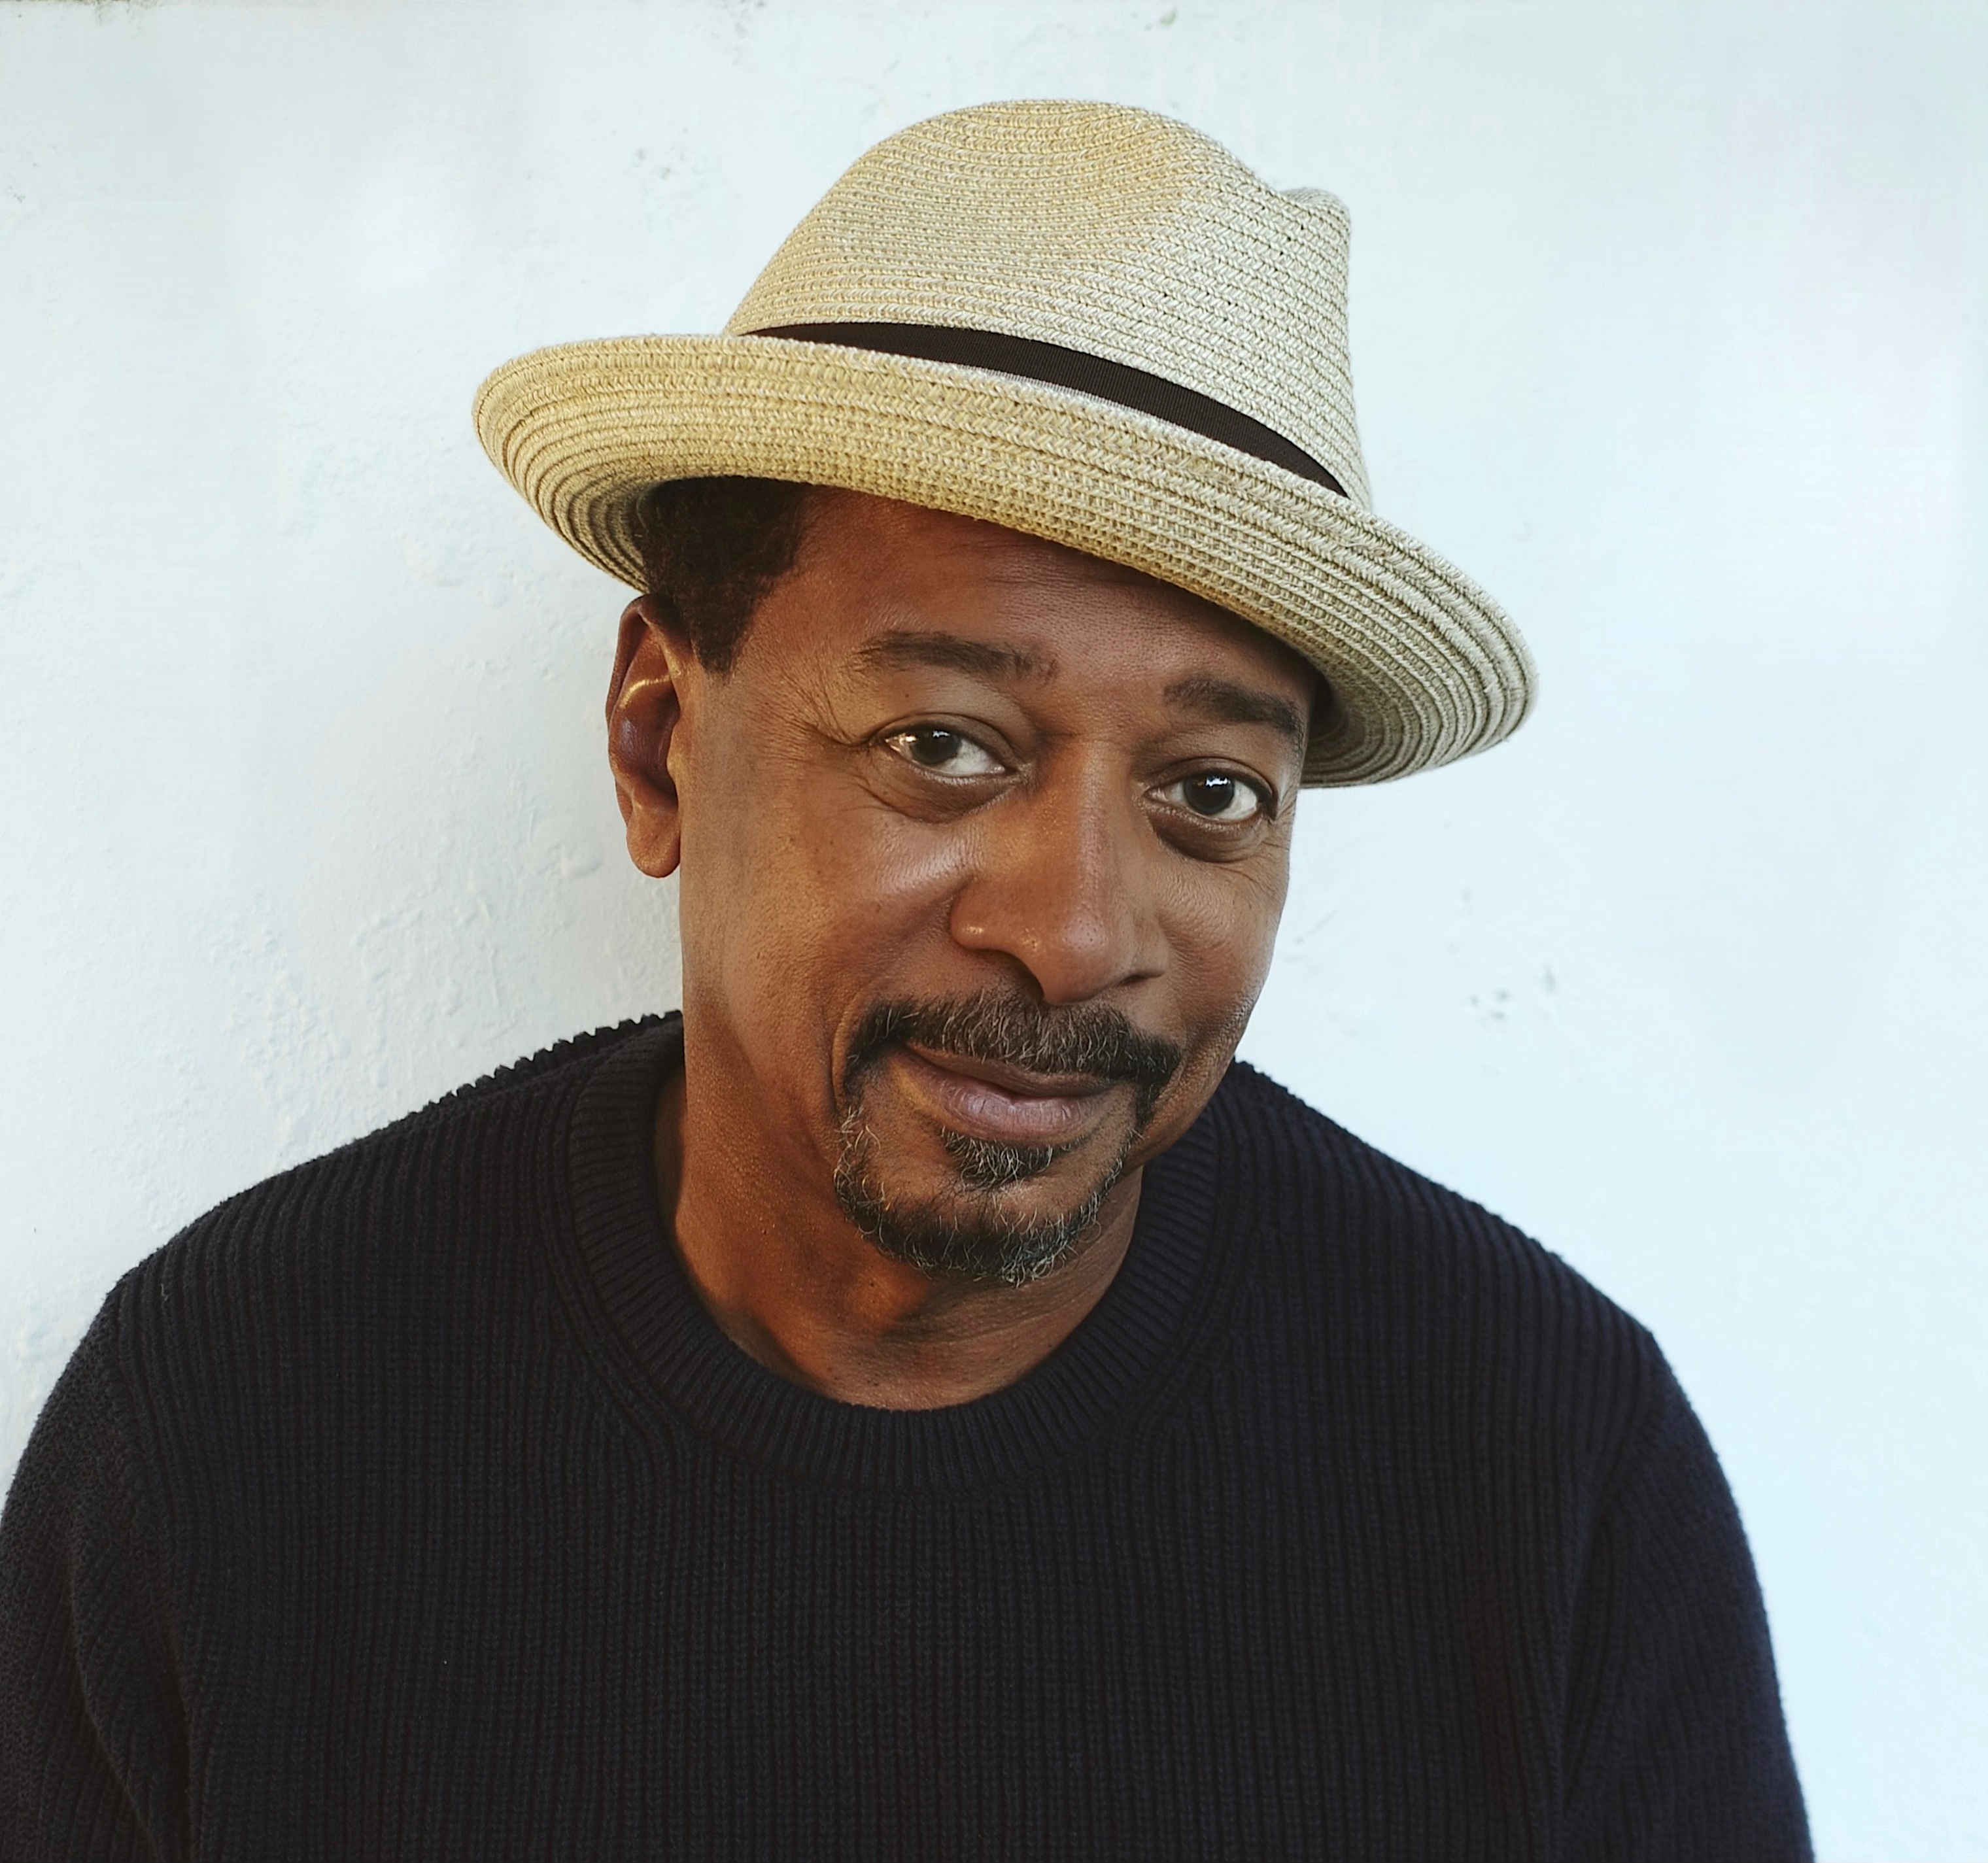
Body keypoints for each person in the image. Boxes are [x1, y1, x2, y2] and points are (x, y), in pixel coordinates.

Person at [0, 99, 1809, 1859]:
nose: (1078, 930)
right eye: (944, 746)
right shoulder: (233, 1429)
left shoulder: (1545, 1470)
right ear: (655, 741)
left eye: (1208, 794)